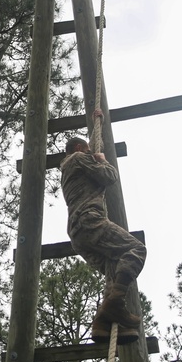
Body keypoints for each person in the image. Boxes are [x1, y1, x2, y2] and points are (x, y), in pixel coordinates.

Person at [59, 110, 146, 344]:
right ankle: (114, 305)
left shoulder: (68, 169)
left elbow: (94, 161)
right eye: (87, 150)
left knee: (114, 267)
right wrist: (103, 160)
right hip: (90, 221)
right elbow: (109, 176)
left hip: (78, 233)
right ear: (79, 149)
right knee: (136, 250)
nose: (90, 153)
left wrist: (99, 121)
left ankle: (102, 324)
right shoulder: (78, 159)